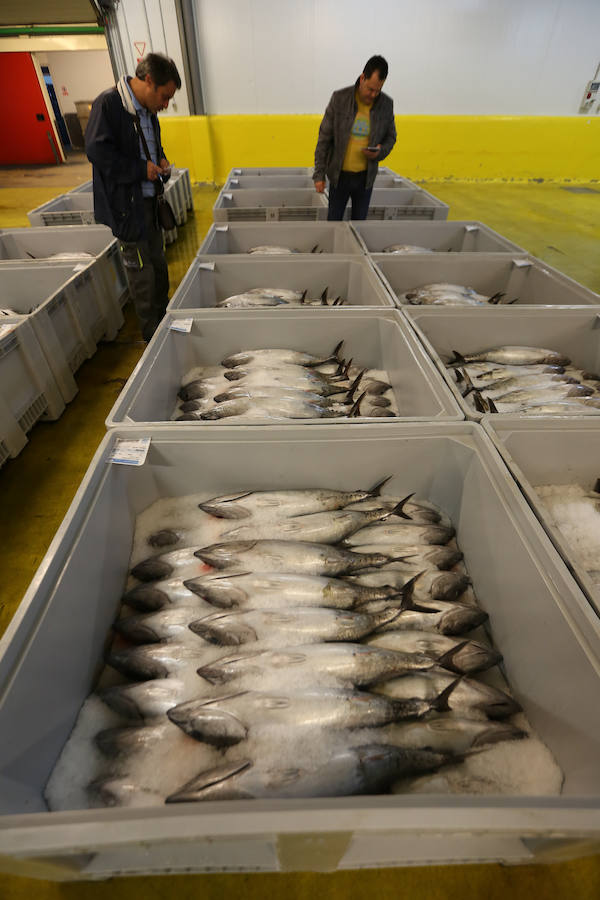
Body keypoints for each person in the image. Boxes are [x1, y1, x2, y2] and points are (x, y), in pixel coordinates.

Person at [85, 53, 181, 342]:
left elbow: (152, 144)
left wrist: (160, 159)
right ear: (148, 81)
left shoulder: (149, 112)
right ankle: (153, 338)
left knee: (159, 266)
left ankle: (164, 322)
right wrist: (141, 169)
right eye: (164, 97)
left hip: (150, 204)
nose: (165, 105)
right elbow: (97, 152)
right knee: (142, 275)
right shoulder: (109, 104)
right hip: (127, 208)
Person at [313, 55, 397, 221]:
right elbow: (324, 138)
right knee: (334, 223)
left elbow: (391, 137)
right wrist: (319, 175)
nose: (373, 95)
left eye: (378, 90)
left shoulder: (386, 104)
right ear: (362, 78)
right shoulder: (339, 99)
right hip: (339, 177)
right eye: (370, 89)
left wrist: (380, 152)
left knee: (360, 225)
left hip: (365, 180)